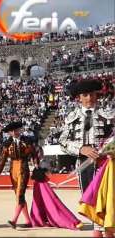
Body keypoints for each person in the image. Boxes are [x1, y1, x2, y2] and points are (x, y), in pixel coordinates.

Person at [58, 79, 114, 237]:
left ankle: (106, 232)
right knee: (91, 202)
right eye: (85, 95)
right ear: (79, 97)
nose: (89, 98)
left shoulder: (108, 114)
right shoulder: (72, 117)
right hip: (84, 166)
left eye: (92, 94)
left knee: (108, 201)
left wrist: (111, 151)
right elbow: (62, 141)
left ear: (96, 95)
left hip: (108, 165)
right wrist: (81, 148)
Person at [0, 121, 39, 229]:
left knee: (20, 194)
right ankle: (28, 221)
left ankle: (14, 220)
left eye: (16, 130)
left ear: (19, 130)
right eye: (12, 131)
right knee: (18, 195)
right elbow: (3, 158)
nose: (14, 132)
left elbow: (34, 154)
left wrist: (36, 164)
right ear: (9, 132)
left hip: (23, 167)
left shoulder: (27, 141)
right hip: (13, 169)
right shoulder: (7, 143)